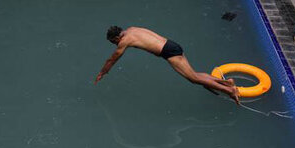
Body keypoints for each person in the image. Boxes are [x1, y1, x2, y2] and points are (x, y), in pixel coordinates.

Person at [96, 26, 240, 104]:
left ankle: (230, 91)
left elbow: (112, 59)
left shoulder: (124, 41)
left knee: (193, 79)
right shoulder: (132, 29)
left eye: (113, 42)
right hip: (172, 45)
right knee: (195, 74)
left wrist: (103, 72)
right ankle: (226, 83)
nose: (115, 45)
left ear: (117, 37)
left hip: (167, 52)